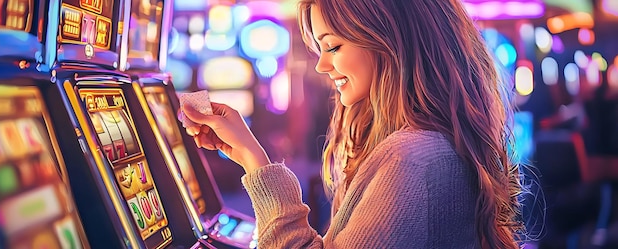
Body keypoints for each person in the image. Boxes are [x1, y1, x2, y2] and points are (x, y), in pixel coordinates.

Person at [182, 0, 527, 248]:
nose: (321, 65)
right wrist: (248, 153)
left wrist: (254, 159)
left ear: (389, 38)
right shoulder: (422, 144)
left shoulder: (410, 158)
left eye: (332, 46)